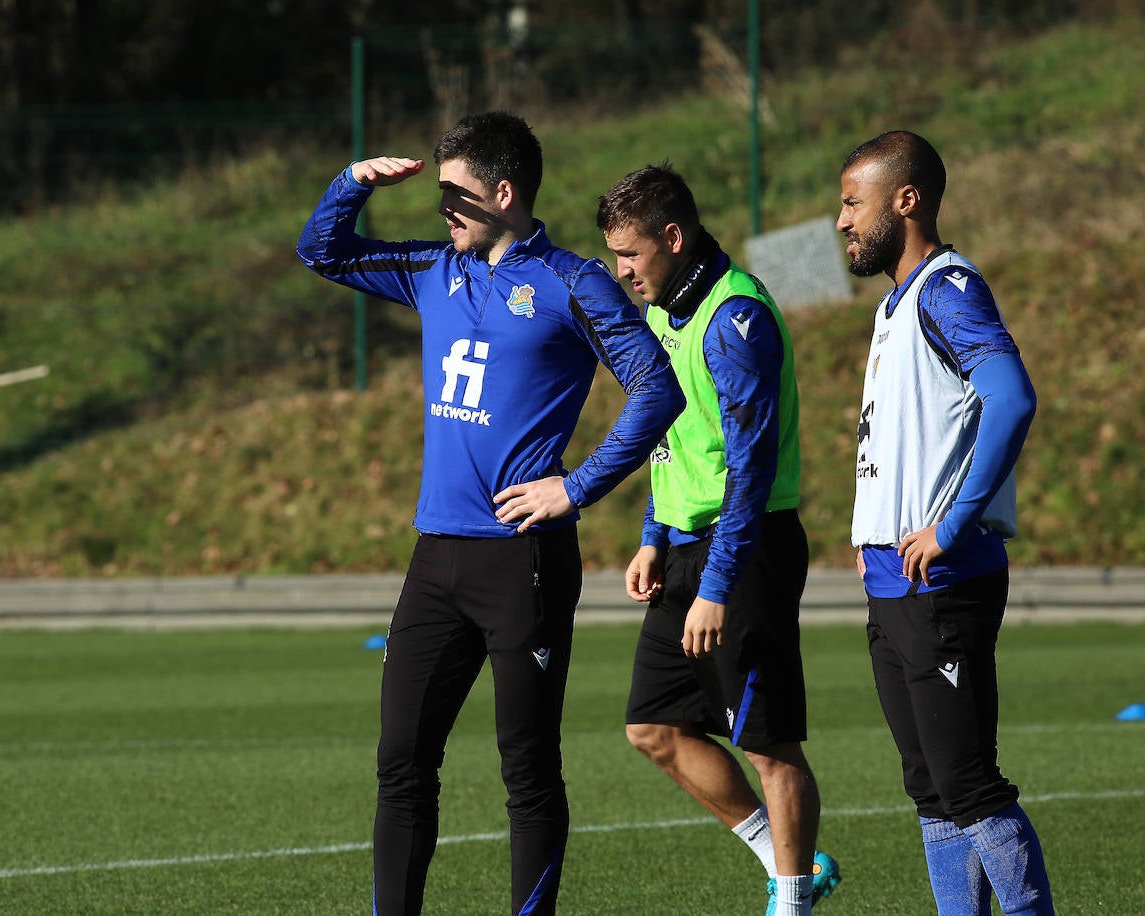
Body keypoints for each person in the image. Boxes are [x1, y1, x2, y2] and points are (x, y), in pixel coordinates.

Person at [296, 111, 684, 916]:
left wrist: (574, 489)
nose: (441, 207)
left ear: (503, 193)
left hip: (525, 561)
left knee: (527, 765)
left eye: (455, 192)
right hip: (435, 559)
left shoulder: (573, 282)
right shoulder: (433, 271)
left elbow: (659, 390)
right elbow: (320, 252)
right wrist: (349, 185)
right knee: (401, 758)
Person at [597, 163, 841, 916]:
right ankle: (787, 862)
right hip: (686, 545)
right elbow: (676, 438)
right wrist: (652, 535)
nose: (622, 272)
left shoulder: (737, 320)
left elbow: (749, 471)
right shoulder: (665, 310)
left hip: (747, 550)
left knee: (767, 744)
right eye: (614, 256)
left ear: (673, 238)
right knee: (653, 727)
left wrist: (713, 587)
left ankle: (791, 903)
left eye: (631, 254)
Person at [837, 130, 1055, 915]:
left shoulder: (946, 289)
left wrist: (951, 523)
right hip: (893, 586)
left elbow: (1013, 397)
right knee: (930, 791)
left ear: (907, 200)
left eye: (853, 202)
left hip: (943, 582)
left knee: (968, 785)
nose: (841, 221)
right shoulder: (898, 304)